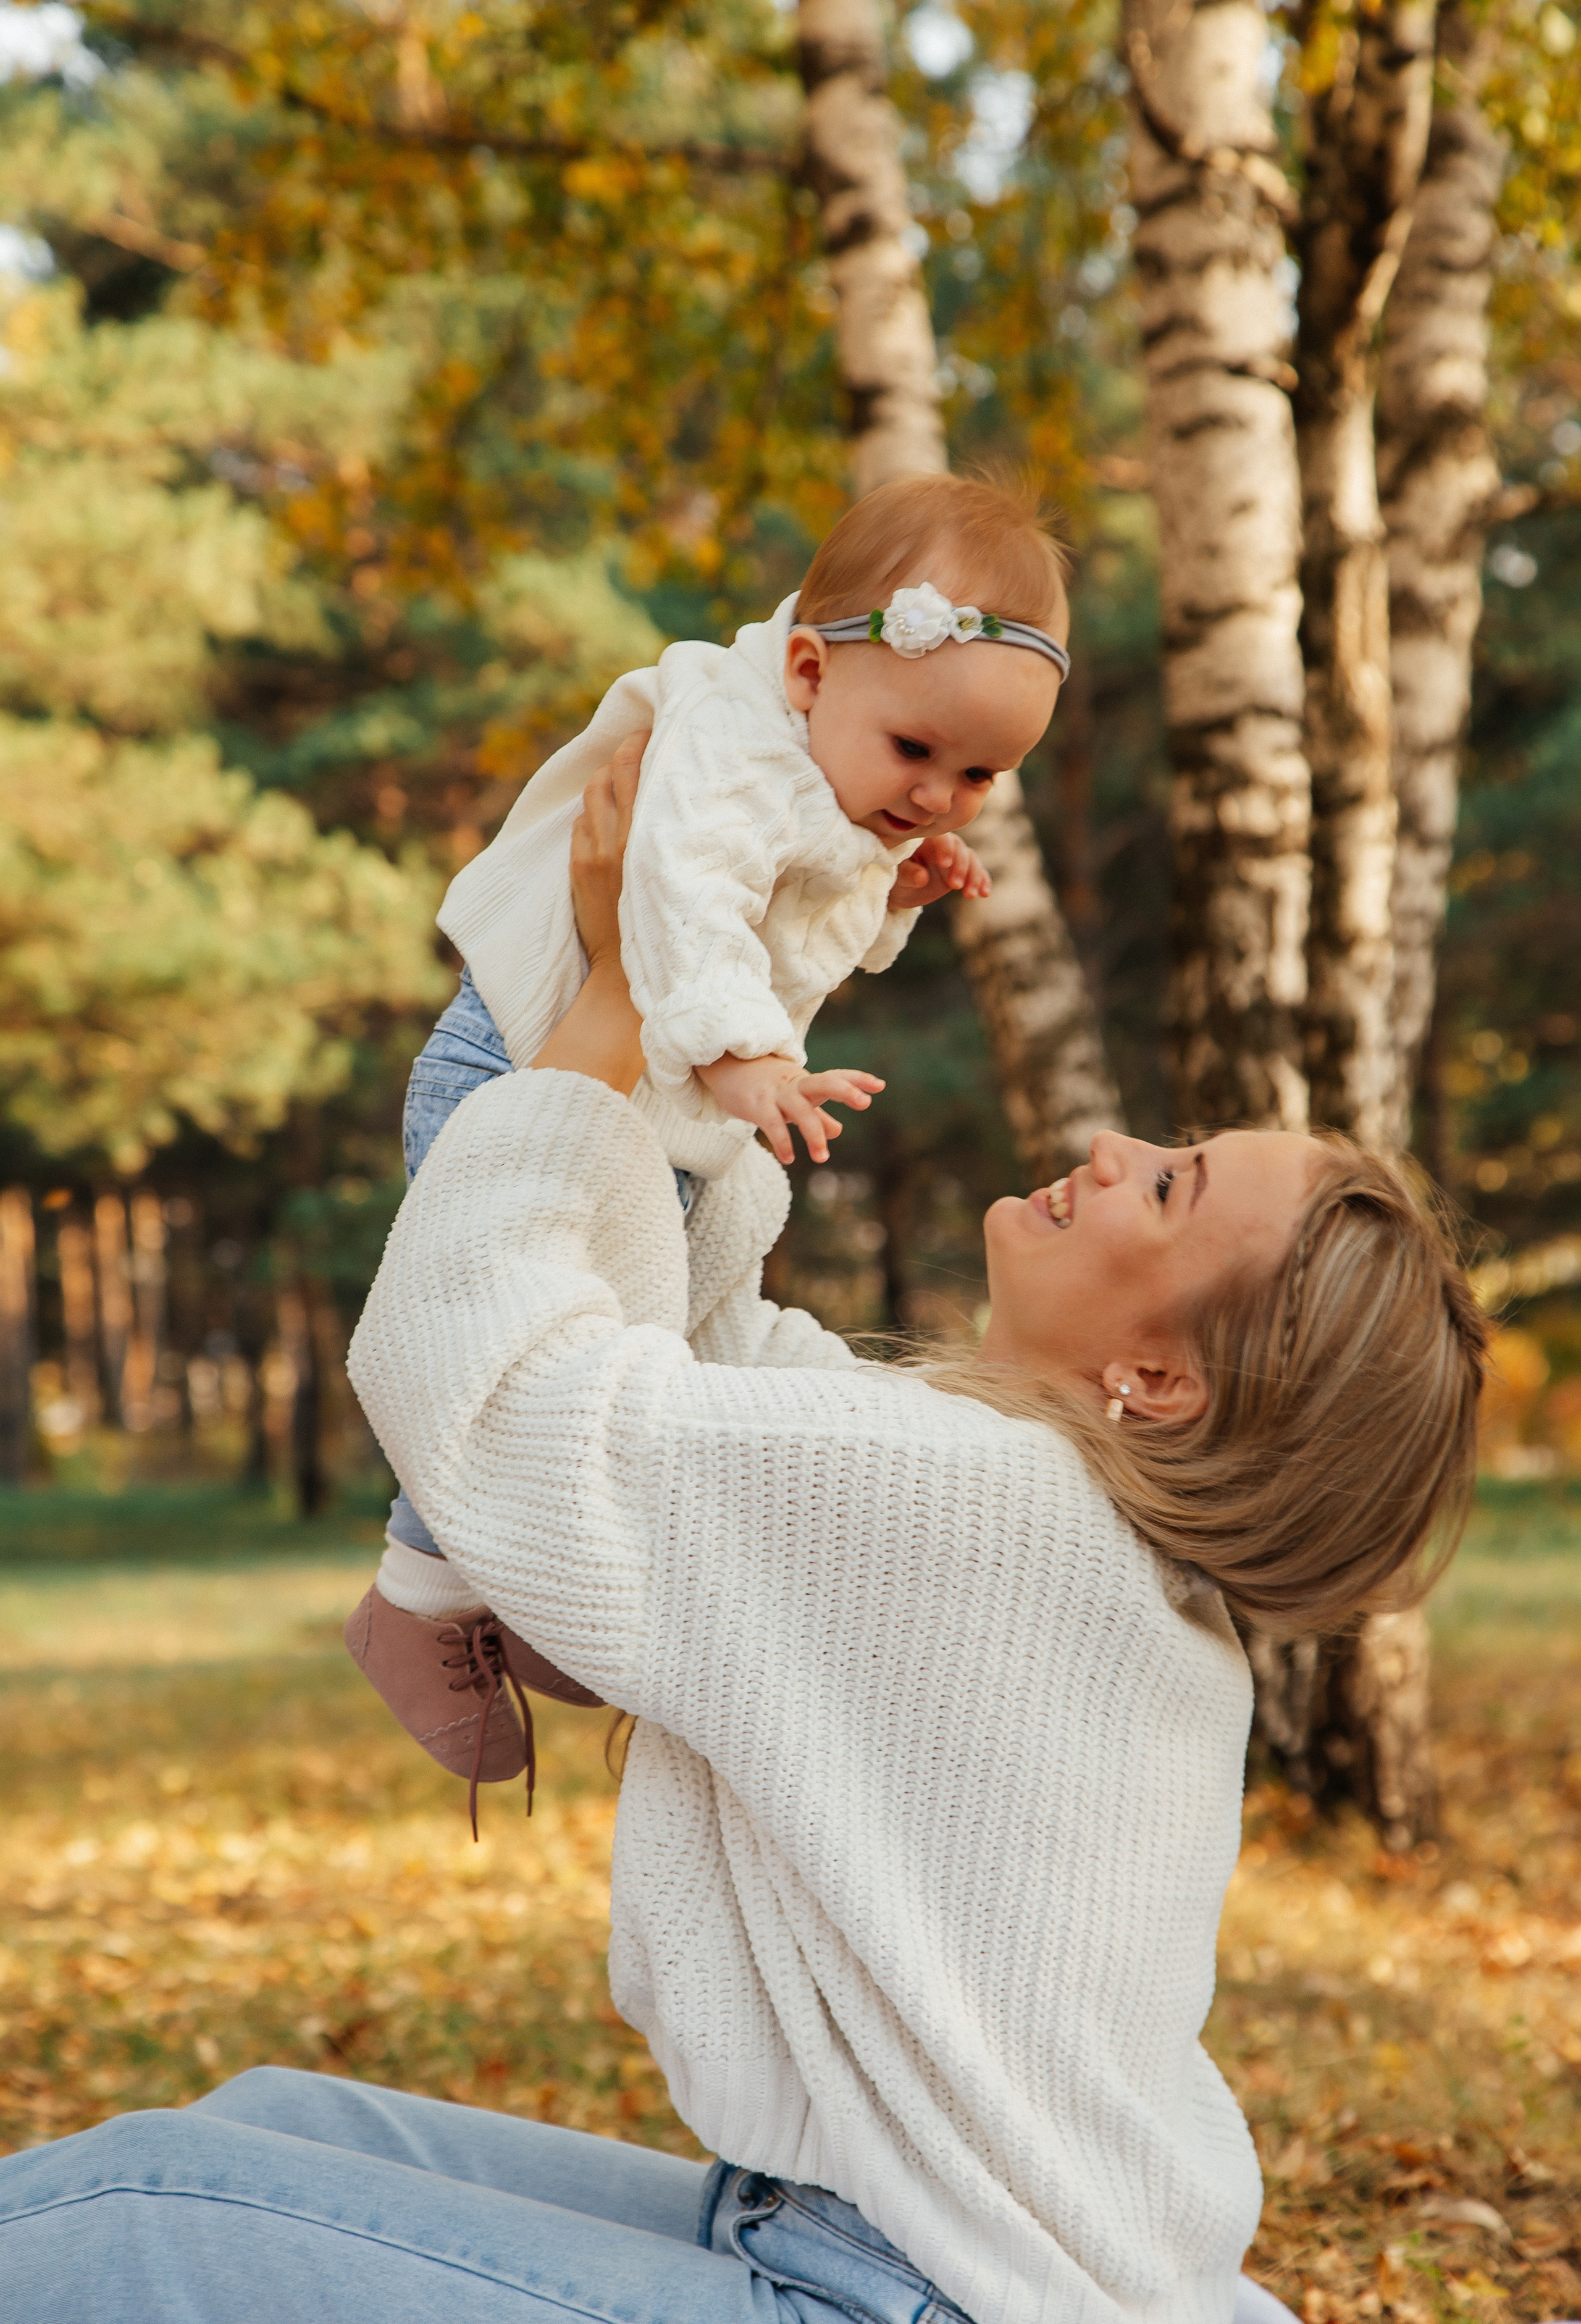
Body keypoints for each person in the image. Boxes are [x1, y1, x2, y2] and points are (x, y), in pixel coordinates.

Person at [0, 743, 1490, 2324]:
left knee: (127, 2218)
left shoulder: (978, 1511)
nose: (1118, 1152)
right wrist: (740, 989)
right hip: (901, 2254)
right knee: (268, 2131)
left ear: (1157, 1379)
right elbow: (710, 1354)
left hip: (909, 2303)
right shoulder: (1026, 1514)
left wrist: (591, 1039)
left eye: (1172, 1189)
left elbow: (497, 1400)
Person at [348, 472, 1073, 1814]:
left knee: (643, 1332)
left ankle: (526, 1593)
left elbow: (792, 941)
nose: (940, 795)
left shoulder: (834, 758)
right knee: (500, 1351)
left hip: (637, 1099)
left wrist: (893, 896)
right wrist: (743, 1058)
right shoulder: (729, 746)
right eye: (919, 754)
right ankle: (416, 1599)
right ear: (806, 668)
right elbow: (678, 889)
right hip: (521, 1065)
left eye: (980, 776)